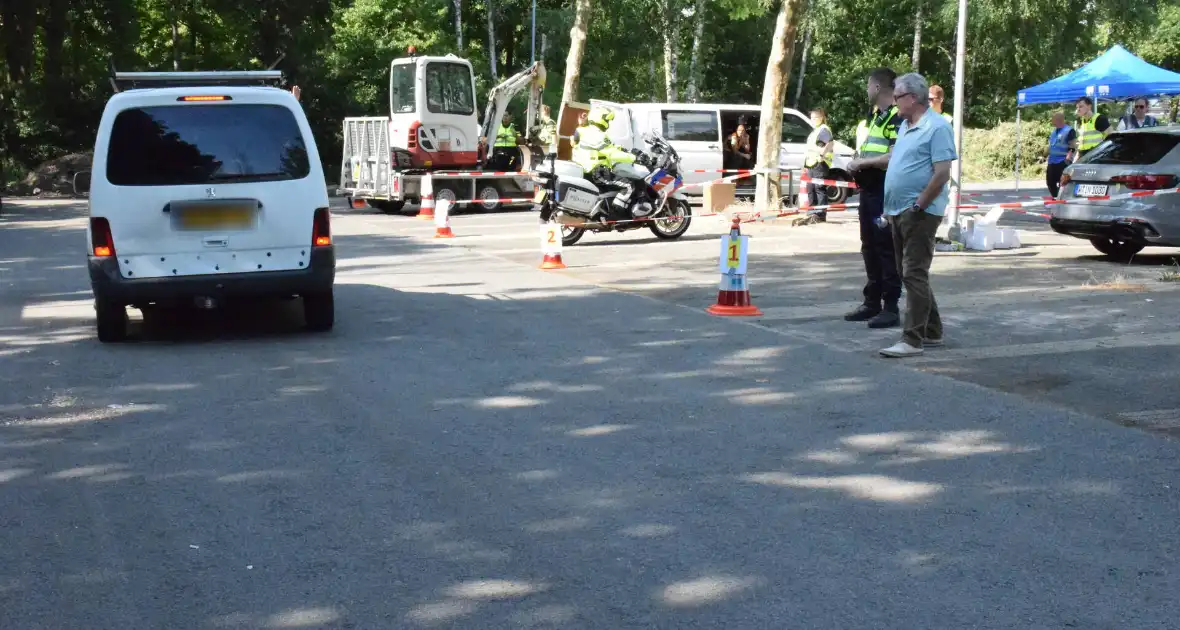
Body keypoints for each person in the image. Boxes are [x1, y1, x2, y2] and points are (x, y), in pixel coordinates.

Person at [878, 72, 958, 358]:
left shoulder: (936, 127)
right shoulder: (905, 126)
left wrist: (919, 205)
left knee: (913, 272)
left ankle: (912, 340)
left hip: (919, 213)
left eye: (898, 96)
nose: (894, 101)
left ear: (912, 98)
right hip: (900, 210)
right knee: (909, 273)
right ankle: (931, 331)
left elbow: (942, 173)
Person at [846, 67, 903, 329]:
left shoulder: (895, 117)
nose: (867, 91)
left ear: (878, 88)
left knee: (885, 248)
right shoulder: (875, 117)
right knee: (868, 245)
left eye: (869, 86)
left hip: (884, 189)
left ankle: (890, 306)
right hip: (868, 189)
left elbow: (893, 156)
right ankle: (872, 301)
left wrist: (862, 163)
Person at [572, 106, 646, 218]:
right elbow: (612, 154)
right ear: (600, 118)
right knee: (629, 186)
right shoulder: (599, 135)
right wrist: (634, 158)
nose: (608, 123)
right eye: (607, 120)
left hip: (585, 170)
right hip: (598, 172)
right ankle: (616, 215)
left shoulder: (583, 131)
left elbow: (608, 147)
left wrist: (622, 149)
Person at [803, 108, 835, 222]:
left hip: (819, 163)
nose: (812, 120)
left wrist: (822, 153)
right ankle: (812, 212)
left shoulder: (824, 129)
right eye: (811, 118)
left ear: (821, 118)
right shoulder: (815, 130)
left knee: (819, 188)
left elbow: (830, 143)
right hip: (811, 163)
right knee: (810, 188)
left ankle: (821, 215)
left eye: (815, 118)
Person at [1046, 111, 1075, 198]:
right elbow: (1051, 145)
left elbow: (1072, 146)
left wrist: (1068, 159)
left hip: (1063, 161)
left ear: (1059, 120)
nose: (1052, 121)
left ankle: (1063, 199)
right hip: (1052, 161)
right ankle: (1056, 198)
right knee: (1050, 182)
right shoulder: (1053, 132)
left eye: (1053, 119)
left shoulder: (1069, 130)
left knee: (1063, 183)